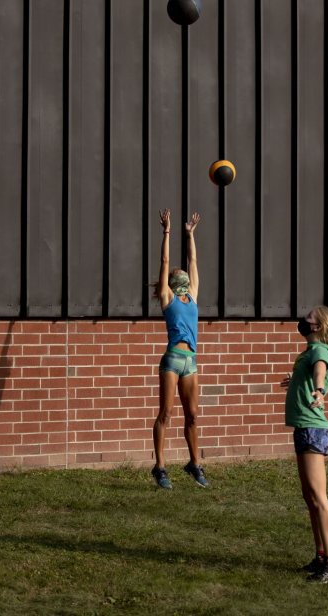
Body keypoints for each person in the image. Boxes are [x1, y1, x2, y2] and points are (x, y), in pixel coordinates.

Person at [279, 306, 328, 582]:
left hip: (312, 428)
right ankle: (320, 557)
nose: (303, 320)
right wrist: (296, 381)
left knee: (319, 498)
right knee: (310, 498)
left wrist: (319, 390)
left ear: (318, 326)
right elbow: (310, 372)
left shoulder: (319, 352)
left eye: (309, 318)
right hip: (304, 427)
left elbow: (320, 372)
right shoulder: (311, 351)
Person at [151, 209, 208, 489]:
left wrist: (190, 235)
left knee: (193, 415)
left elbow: (193, 259)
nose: (180, 270)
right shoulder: (168, 297)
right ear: (173, 282)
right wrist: (167, 232)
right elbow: (164, 260)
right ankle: (160, 467)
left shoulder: (193, 296)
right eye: (177, 272)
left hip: (191, 362)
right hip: (173, 360)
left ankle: (194, 463)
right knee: (166, 413)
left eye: (180, 270)